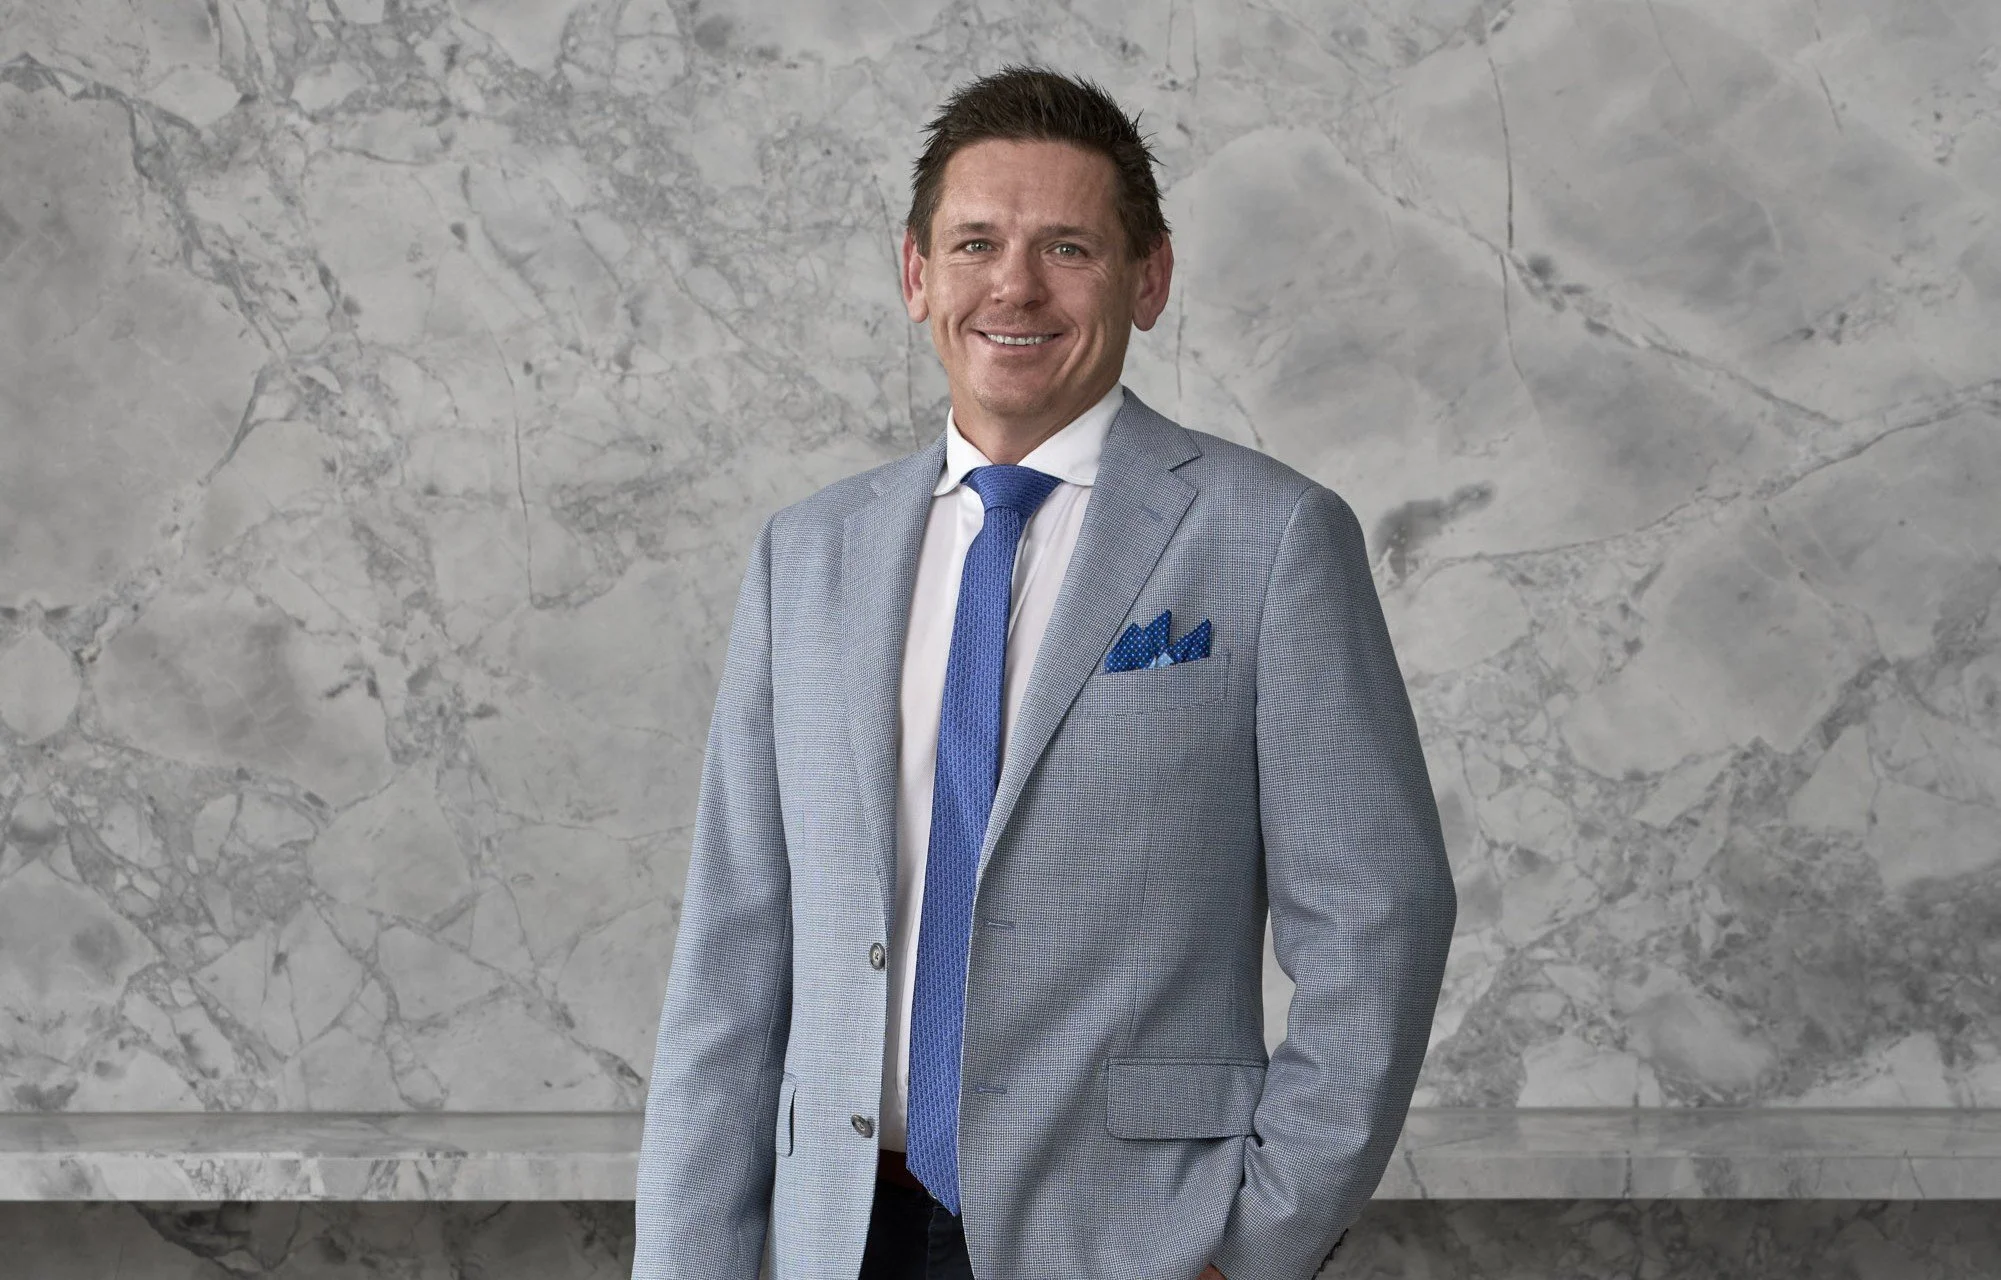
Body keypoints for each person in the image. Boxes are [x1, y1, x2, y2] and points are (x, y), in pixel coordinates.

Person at [632, 66, 1456, 1280]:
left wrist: (1258, 1237)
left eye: (1067, 246)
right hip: (833, 1237)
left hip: (1137, 1242)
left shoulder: (1270, 537)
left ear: (1149, 278)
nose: (1013, 284)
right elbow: (732, 953)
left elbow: (1381, 916)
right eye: (976, 243)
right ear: (917, 276)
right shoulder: (806, 556)